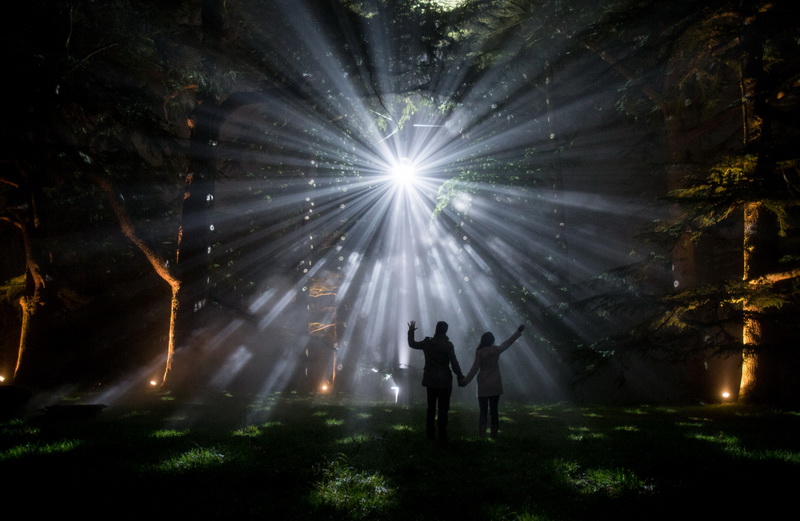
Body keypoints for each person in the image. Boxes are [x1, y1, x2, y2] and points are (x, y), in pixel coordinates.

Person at [462, 324, 525, 438]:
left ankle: (482, 435)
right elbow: (508, 342)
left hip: (483, 386)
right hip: (495, 385)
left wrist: (466, 381)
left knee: (483, 410)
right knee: (494, 410)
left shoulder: (480, 352)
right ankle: (494, 435)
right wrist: (518, 331)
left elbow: (475, 368)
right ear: (492, 340)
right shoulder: (496, 350)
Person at [407, 320, 466, 442]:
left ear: (436, 329)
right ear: (446, 331)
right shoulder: (448, 345)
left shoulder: (428, 343)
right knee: (443, 409)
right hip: (444, 380)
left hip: (431, 379)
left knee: (431, 407)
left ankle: (430, 434)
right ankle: (442, 434)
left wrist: (411, 331)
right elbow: (454, 363)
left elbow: (412, 344)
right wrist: (460, 375)